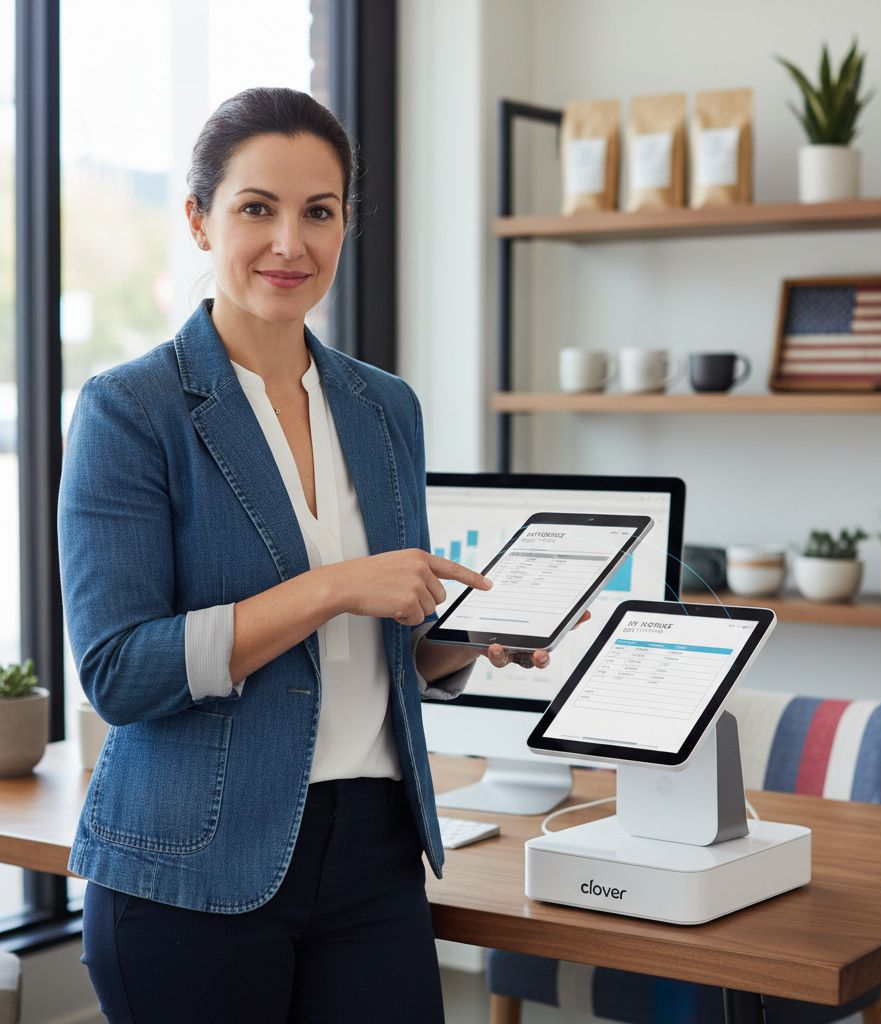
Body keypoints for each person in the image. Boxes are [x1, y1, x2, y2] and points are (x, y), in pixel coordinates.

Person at [57, 86, 583, 1024]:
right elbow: (120, 673)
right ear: (199, 219)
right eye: (257, 208)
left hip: (373, 856)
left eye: (319, 212)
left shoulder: (386, 408)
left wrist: (467, 639)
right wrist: (333, 587)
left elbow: (378, 651)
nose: (289, 243)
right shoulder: (131, 410)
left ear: (347, 224)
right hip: (193, 870)